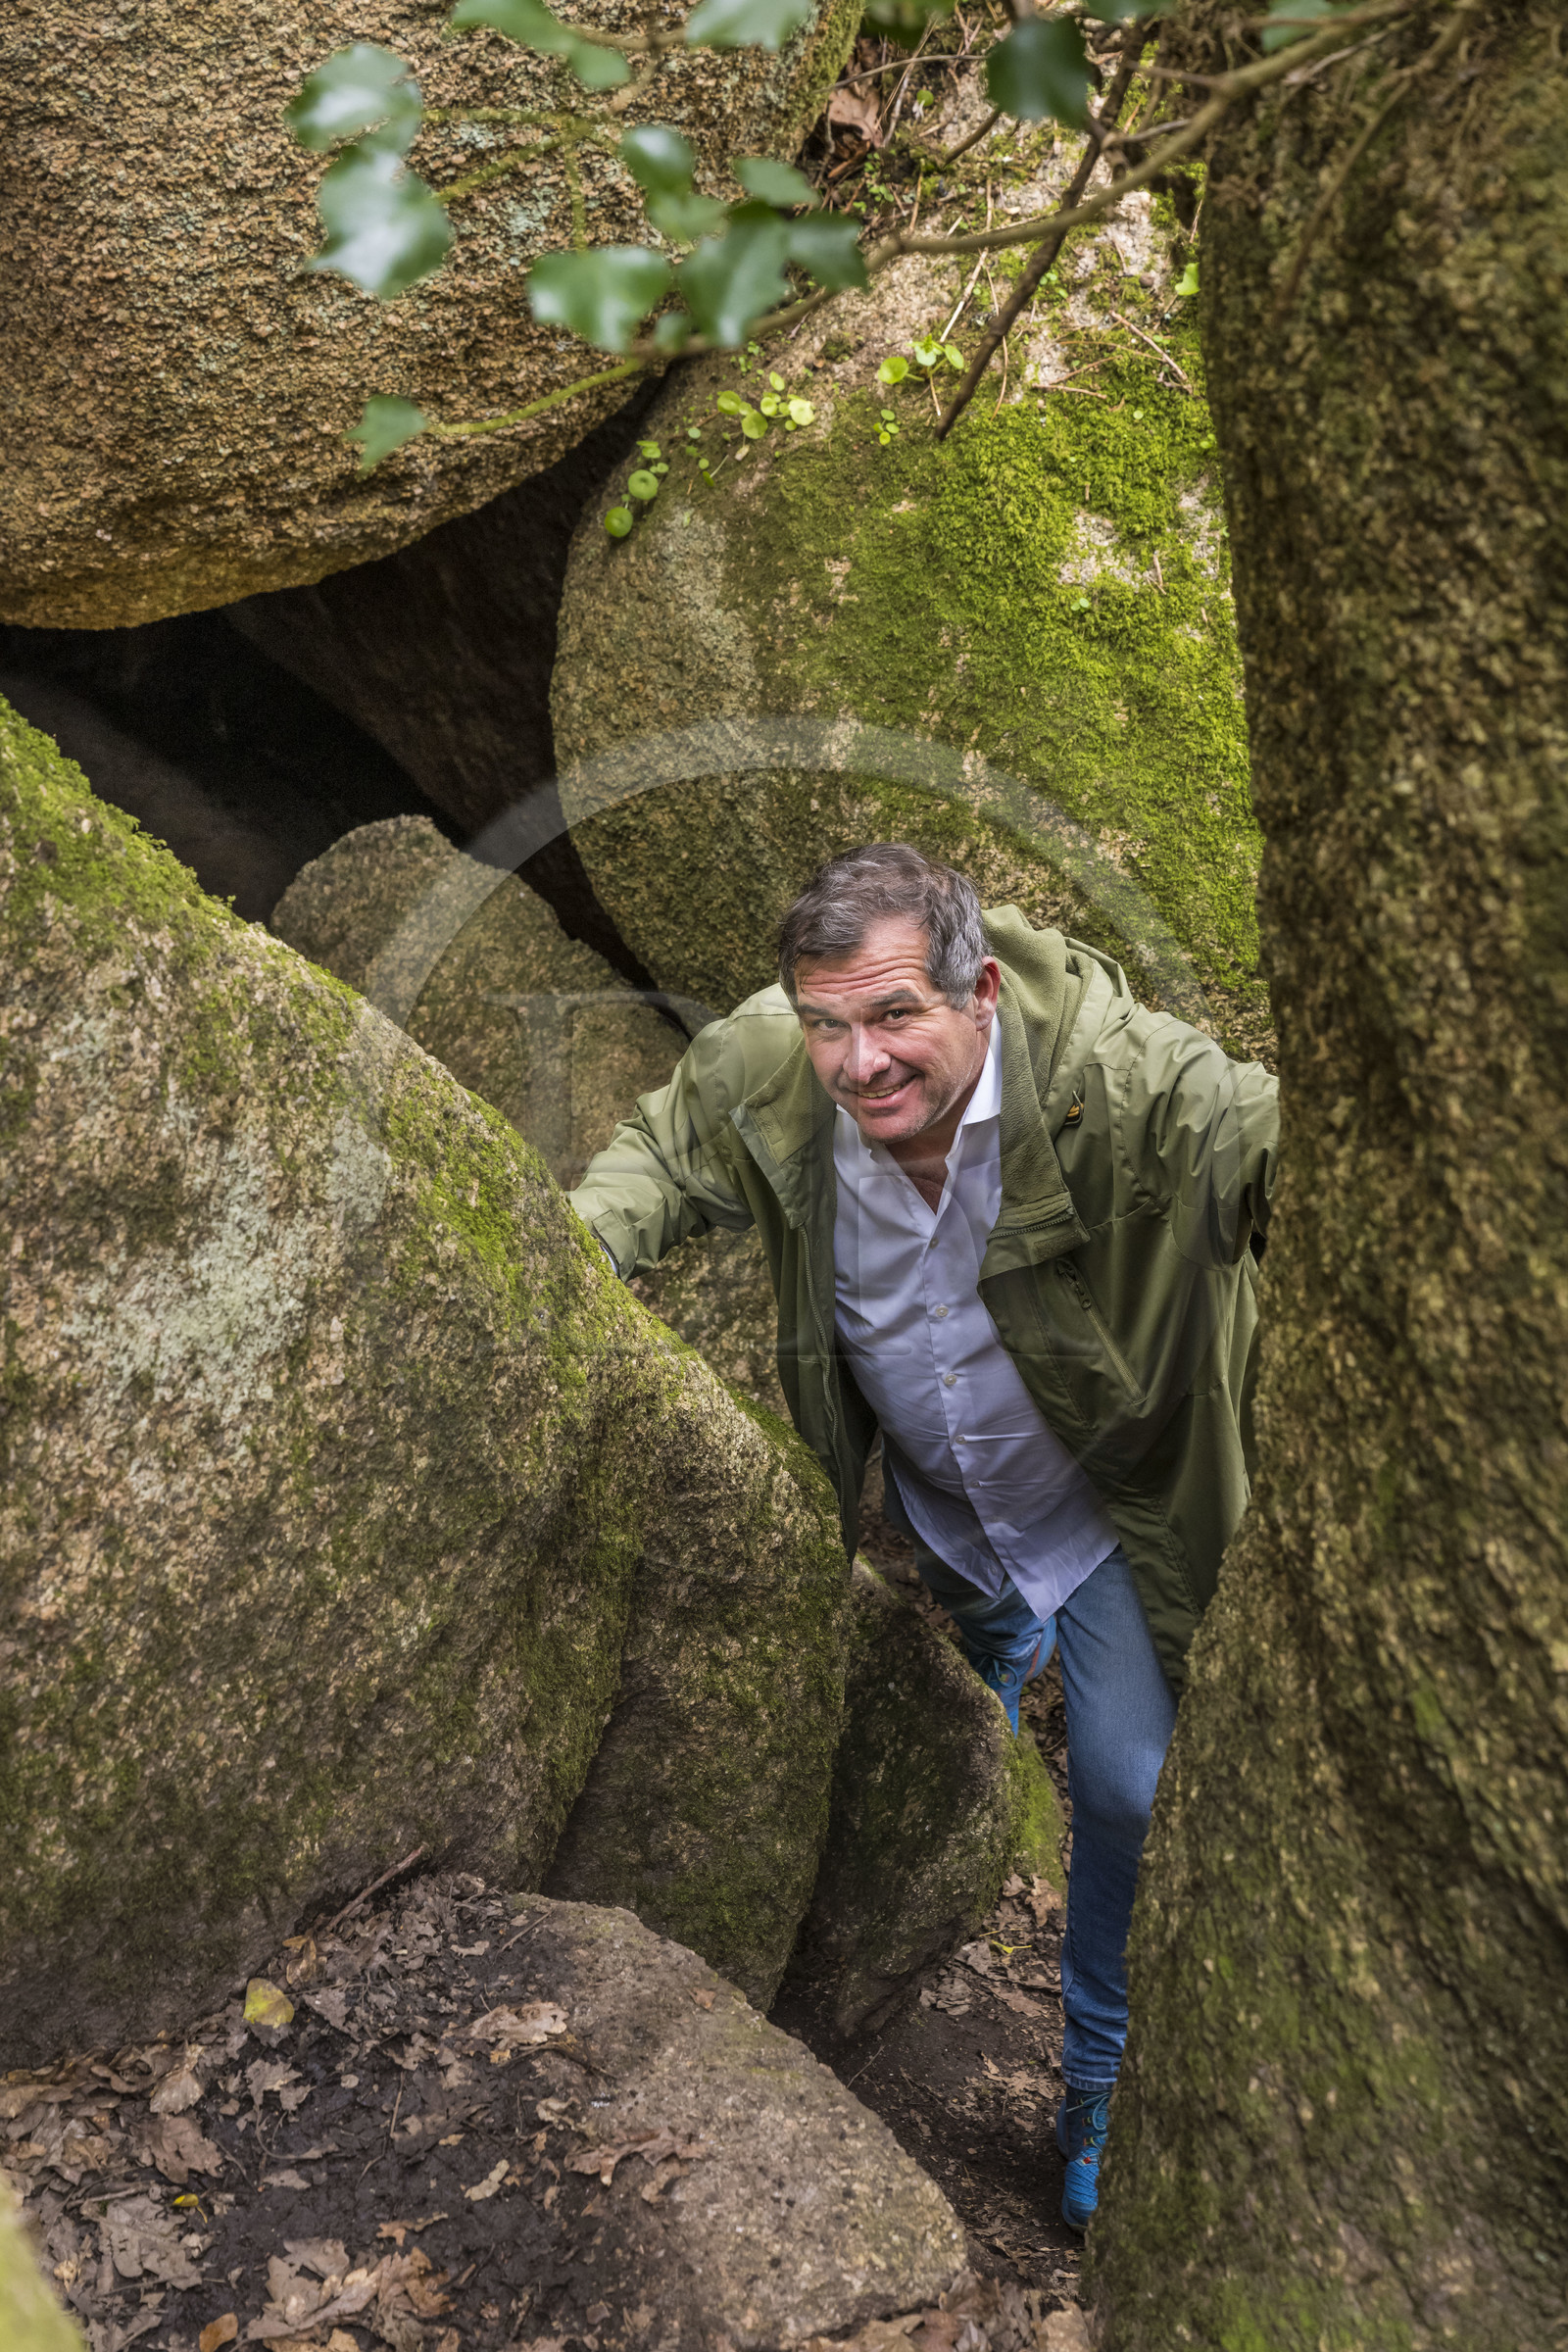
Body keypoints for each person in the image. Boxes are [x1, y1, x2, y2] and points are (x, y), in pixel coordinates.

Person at [569, 843, 1278, 2230]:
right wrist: (575, 1248)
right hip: (946, 1510)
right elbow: (660, 1153)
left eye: (896, 1016)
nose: (859, 1060)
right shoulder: (770, 1065)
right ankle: (988, 1733)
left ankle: (1095, 2092)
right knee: (964, 1692)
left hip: (1118, 1508)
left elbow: (1260, 1132)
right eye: (829, 1021)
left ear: (985, 993)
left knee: (1134, 1789)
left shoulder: (1125, 1079)